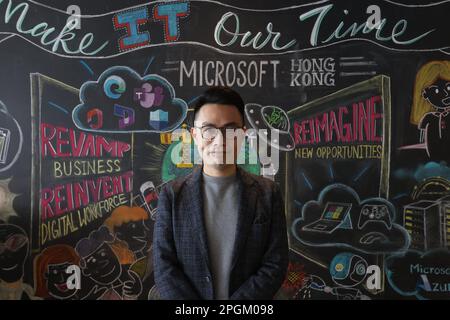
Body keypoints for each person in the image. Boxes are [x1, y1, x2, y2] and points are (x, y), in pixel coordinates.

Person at [153, 86, 289, 299]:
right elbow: (164, 267)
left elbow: (275, 264)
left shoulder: (268, 194)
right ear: (194, 135)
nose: (220, 140)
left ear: (243, 135)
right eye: (208, 130)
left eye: (230, 129)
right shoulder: (172, 195)